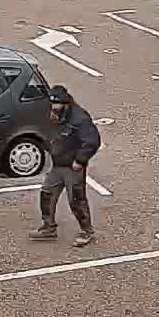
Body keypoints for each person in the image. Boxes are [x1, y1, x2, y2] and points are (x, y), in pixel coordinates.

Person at [31, 84, 101, 247]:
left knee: (76, 200)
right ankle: (49, 228)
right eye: (52, 104)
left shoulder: (80, 118)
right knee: (47, 193)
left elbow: (92, 141)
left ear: (65, 103)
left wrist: (80, 160)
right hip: (58, 164)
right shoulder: (54, 114)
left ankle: (87, 232)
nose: (53, 107)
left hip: (73, 166)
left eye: (56, 104)